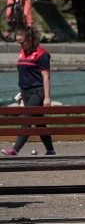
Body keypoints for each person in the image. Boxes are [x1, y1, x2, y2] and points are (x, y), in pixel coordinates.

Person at [2, 26, 56, 156]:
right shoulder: (23, 52)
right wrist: (21, 92)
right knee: (39, 122)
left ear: (30, 39)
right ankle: (50, 150)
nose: (20, 45)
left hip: (38, 92)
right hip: (25, 92)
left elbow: (46, 77)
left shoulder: (42, 54)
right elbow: (25, 74)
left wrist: (47, 97)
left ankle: (15, 149)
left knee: (26, 119)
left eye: (22, 42)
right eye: (18, 42)